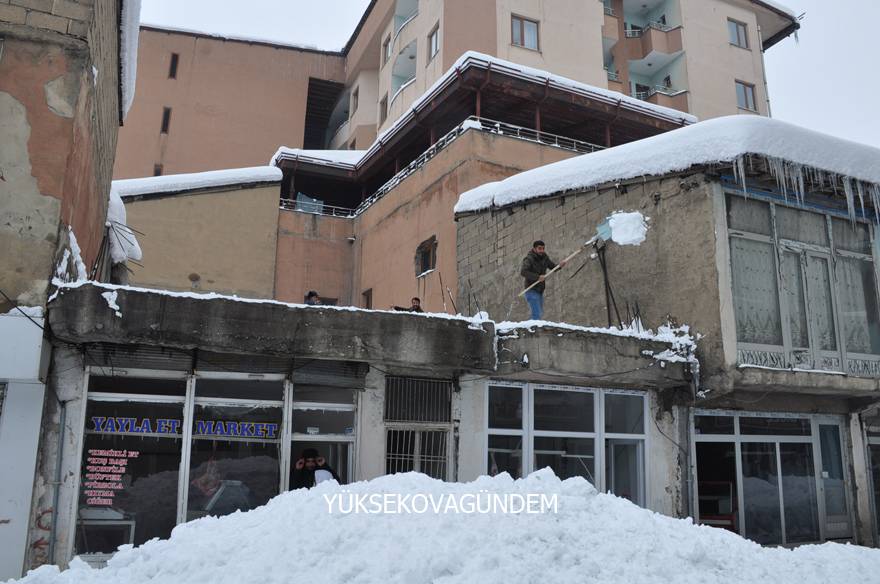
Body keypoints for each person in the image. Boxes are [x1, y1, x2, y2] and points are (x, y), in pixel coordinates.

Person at [520, 240, 566, 320]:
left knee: (539, 314)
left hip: (540, 291)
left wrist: (559, 266)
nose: (542, 250)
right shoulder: (529, 259)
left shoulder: (544, 257)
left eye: (543, 248)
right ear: (534, 249)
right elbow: (523, 272)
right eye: (539, 248)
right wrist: (537, 277)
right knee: (537, 314)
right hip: (531, 289)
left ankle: (533, 330)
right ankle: (533, 330)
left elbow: (552, 267)